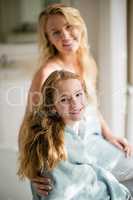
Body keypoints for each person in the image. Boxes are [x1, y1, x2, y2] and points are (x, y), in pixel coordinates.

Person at [19, 3, 133, 197]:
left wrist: (110, 135)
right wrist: (31, 172)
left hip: (94, 137)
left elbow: (92, 106)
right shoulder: (48, 73)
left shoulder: (86, 62)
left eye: (69, 26)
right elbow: (29, 125)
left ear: (79, 26)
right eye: (55, 32)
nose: (64, 35)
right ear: (48, 39)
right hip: (75, 145)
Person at [18, 70, 132, 200]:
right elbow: (61, 189)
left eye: (78, 95)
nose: (75, 103)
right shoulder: (58, 142)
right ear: (52, 107)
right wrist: (32, 172)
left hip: (90, 140)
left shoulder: (85, 65)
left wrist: (109, 135)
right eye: (64, 99)